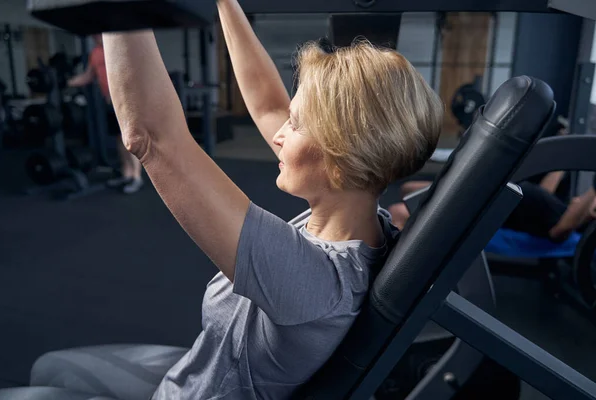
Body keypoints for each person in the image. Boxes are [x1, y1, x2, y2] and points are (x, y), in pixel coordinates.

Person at [95, 0, 443, 398]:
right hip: (193, 368)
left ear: (341, 157)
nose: (279, 134)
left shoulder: (312, 281)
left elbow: (151, 138)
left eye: (294, 126)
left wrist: (119, 10)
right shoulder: (361, 219)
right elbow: (267, 104)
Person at [388, 172, 596, 243]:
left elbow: (559, 232)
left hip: (480, 205)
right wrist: (559, 166)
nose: (577, 198)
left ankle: (389, 279)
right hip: (483, 191)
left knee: (398, 211)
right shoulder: (555, 206)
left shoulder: (562, 221)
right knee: (408, 189)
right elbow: (544, 192)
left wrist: (593, 191)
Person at [67, 34, 144, 194]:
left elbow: (132, 74)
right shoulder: (95, 53)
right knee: (119, 139)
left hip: (127, 101)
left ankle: (137, 178)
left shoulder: (120, 50)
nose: (96, 37)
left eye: (99, 34)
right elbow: (88, 76)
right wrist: (66, 82)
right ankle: (127, 174)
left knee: (130, 140)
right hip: (110, 103)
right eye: (94, 35)